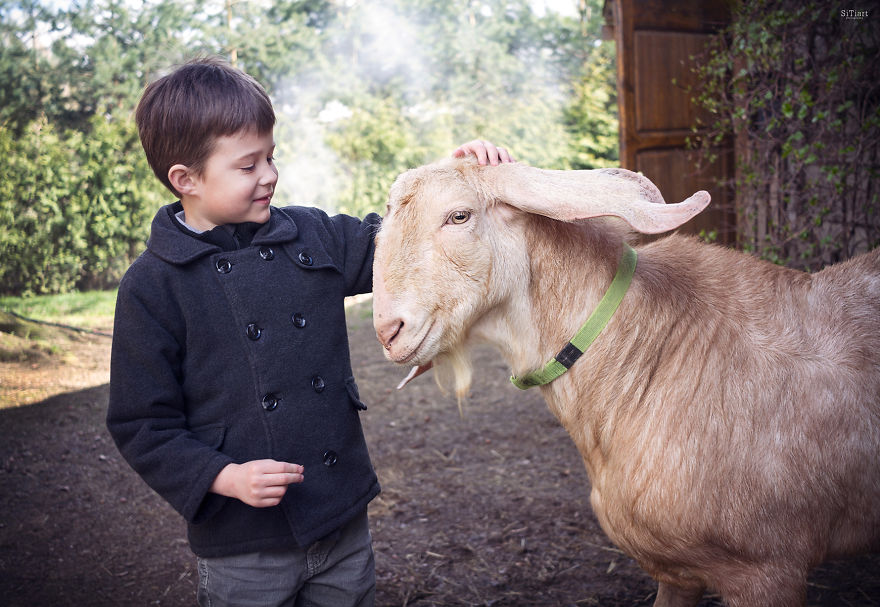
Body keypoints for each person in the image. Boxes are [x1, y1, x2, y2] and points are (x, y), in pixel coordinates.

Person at [106, 55, 512, 607]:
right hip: (241, 548)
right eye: (248, 166)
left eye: (271, 157)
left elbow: (399, 242)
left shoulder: (311, 233)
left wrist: (456, 173)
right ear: (187, 180)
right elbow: (142, 424)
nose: (270, 175)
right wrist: (224, 478)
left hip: (342, 518)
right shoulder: (152, 286)